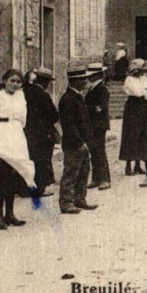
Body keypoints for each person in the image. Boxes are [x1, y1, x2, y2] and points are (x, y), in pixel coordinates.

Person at [0, 69, 36, 229]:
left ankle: (10, 214)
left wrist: (16, 131)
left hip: (17, 136)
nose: (15, 84)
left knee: (14, 175)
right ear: (4, 80)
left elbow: (24, 119)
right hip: (1, 136)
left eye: (18, 82)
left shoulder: (21, 98)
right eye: (12, 81)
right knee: (0, 177)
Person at [58, 65, 98, 214]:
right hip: (74, 144)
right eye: (83, 79)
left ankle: (80, 199)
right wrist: (79, 142)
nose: (86, 82)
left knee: (83, 171)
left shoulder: (77, 97)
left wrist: (88, 142)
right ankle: (66, 202)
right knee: (71, 173)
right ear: (75, 81)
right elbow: (69, 126)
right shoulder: (68, 99)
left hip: (83, 144)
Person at [23, 66, 59, 197]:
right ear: (45, 81)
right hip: (43, 133)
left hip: (27, 131)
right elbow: (54, 115)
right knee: (42, 160)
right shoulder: (43, 95)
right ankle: (40, 188)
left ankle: (25, 188)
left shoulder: (25, 91)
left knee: (29, 158)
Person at [119, 59, 147, 176]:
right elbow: (137, 92)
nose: (144, 72)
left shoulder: (144, 79)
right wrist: (144, 93)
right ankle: (128, 165)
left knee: (142, 134)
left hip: (143, 105)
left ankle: (138, 164)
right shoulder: (129, 80)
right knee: (131, 135)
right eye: (142, 69)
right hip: (133, 106)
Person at [85, 63, 111, 190]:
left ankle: (105, 179)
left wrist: (85, 108)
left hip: (99, 125)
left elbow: (99, 108)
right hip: (93, 125)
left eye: (91, 75)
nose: (89, 78)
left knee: (99, 152)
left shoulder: (102, 89)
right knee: (94, 152)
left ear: (97, 75)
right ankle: (96, 178)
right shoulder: (92, 88)